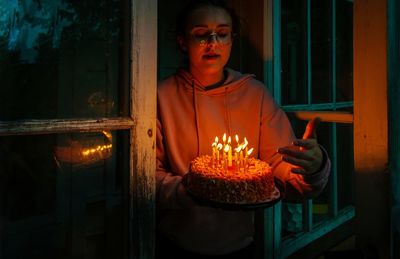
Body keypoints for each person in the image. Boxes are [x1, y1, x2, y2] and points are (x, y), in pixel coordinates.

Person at [156, 0, 331, 258]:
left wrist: (313, 167)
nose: (213, 42)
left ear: (232, 40)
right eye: (202, 34)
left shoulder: (255, 95)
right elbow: (145, 177)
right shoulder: (161, 96)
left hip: (240, 248)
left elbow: (288, 177)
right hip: (174, 245)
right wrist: (195, 188)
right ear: (183, 42)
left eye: (222, 34)